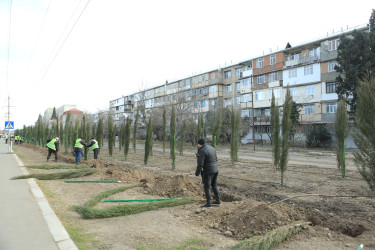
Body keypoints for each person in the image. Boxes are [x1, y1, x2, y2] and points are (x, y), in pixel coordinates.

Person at [195, 138, 221, 208]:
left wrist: (197, 173)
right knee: (214, 185)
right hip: (215, 169)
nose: (198, 146)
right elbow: (215, 159)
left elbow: (200, 163)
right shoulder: (212, 148)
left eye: (198, 144)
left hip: (208, 171)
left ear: (200, 144)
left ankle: (208, 204)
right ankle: (218, 201)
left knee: (207, 187)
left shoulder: (202, 151)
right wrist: (199, 156)